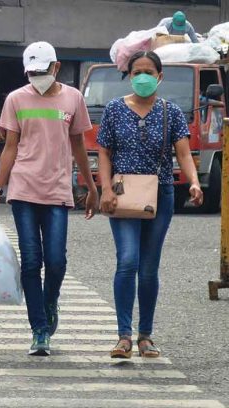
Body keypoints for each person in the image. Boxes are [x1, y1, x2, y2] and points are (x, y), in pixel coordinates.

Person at [0, 41, 99, 356]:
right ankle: (40, 330)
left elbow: (78, 146)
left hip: (58, 190)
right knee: (32, 261)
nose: (37, 76)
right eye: (31, 72)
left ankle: (50, 302)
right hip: (23, 190)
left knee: (56, 261)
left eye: (42, 71)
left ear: (56, 67)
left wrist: (91, 187)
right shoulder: (17, 99)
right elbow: (9, 148)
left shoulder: (73, 98)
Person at [97, 51, 203, 359]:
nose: (142, 76)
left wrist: (193, 181)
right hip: (121, 195)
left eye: (148, 71)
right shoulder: (115, 109)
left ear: (159, 76)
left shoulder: (171, 113)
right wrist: (105, 188)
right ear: (129, 76)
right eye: (136, 71)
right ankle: (123, 336)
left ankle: (145, 335)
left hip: (161, 194)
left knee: (148, 267)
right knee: (127, 261)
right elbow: (103, 152)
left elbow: (183, 154)